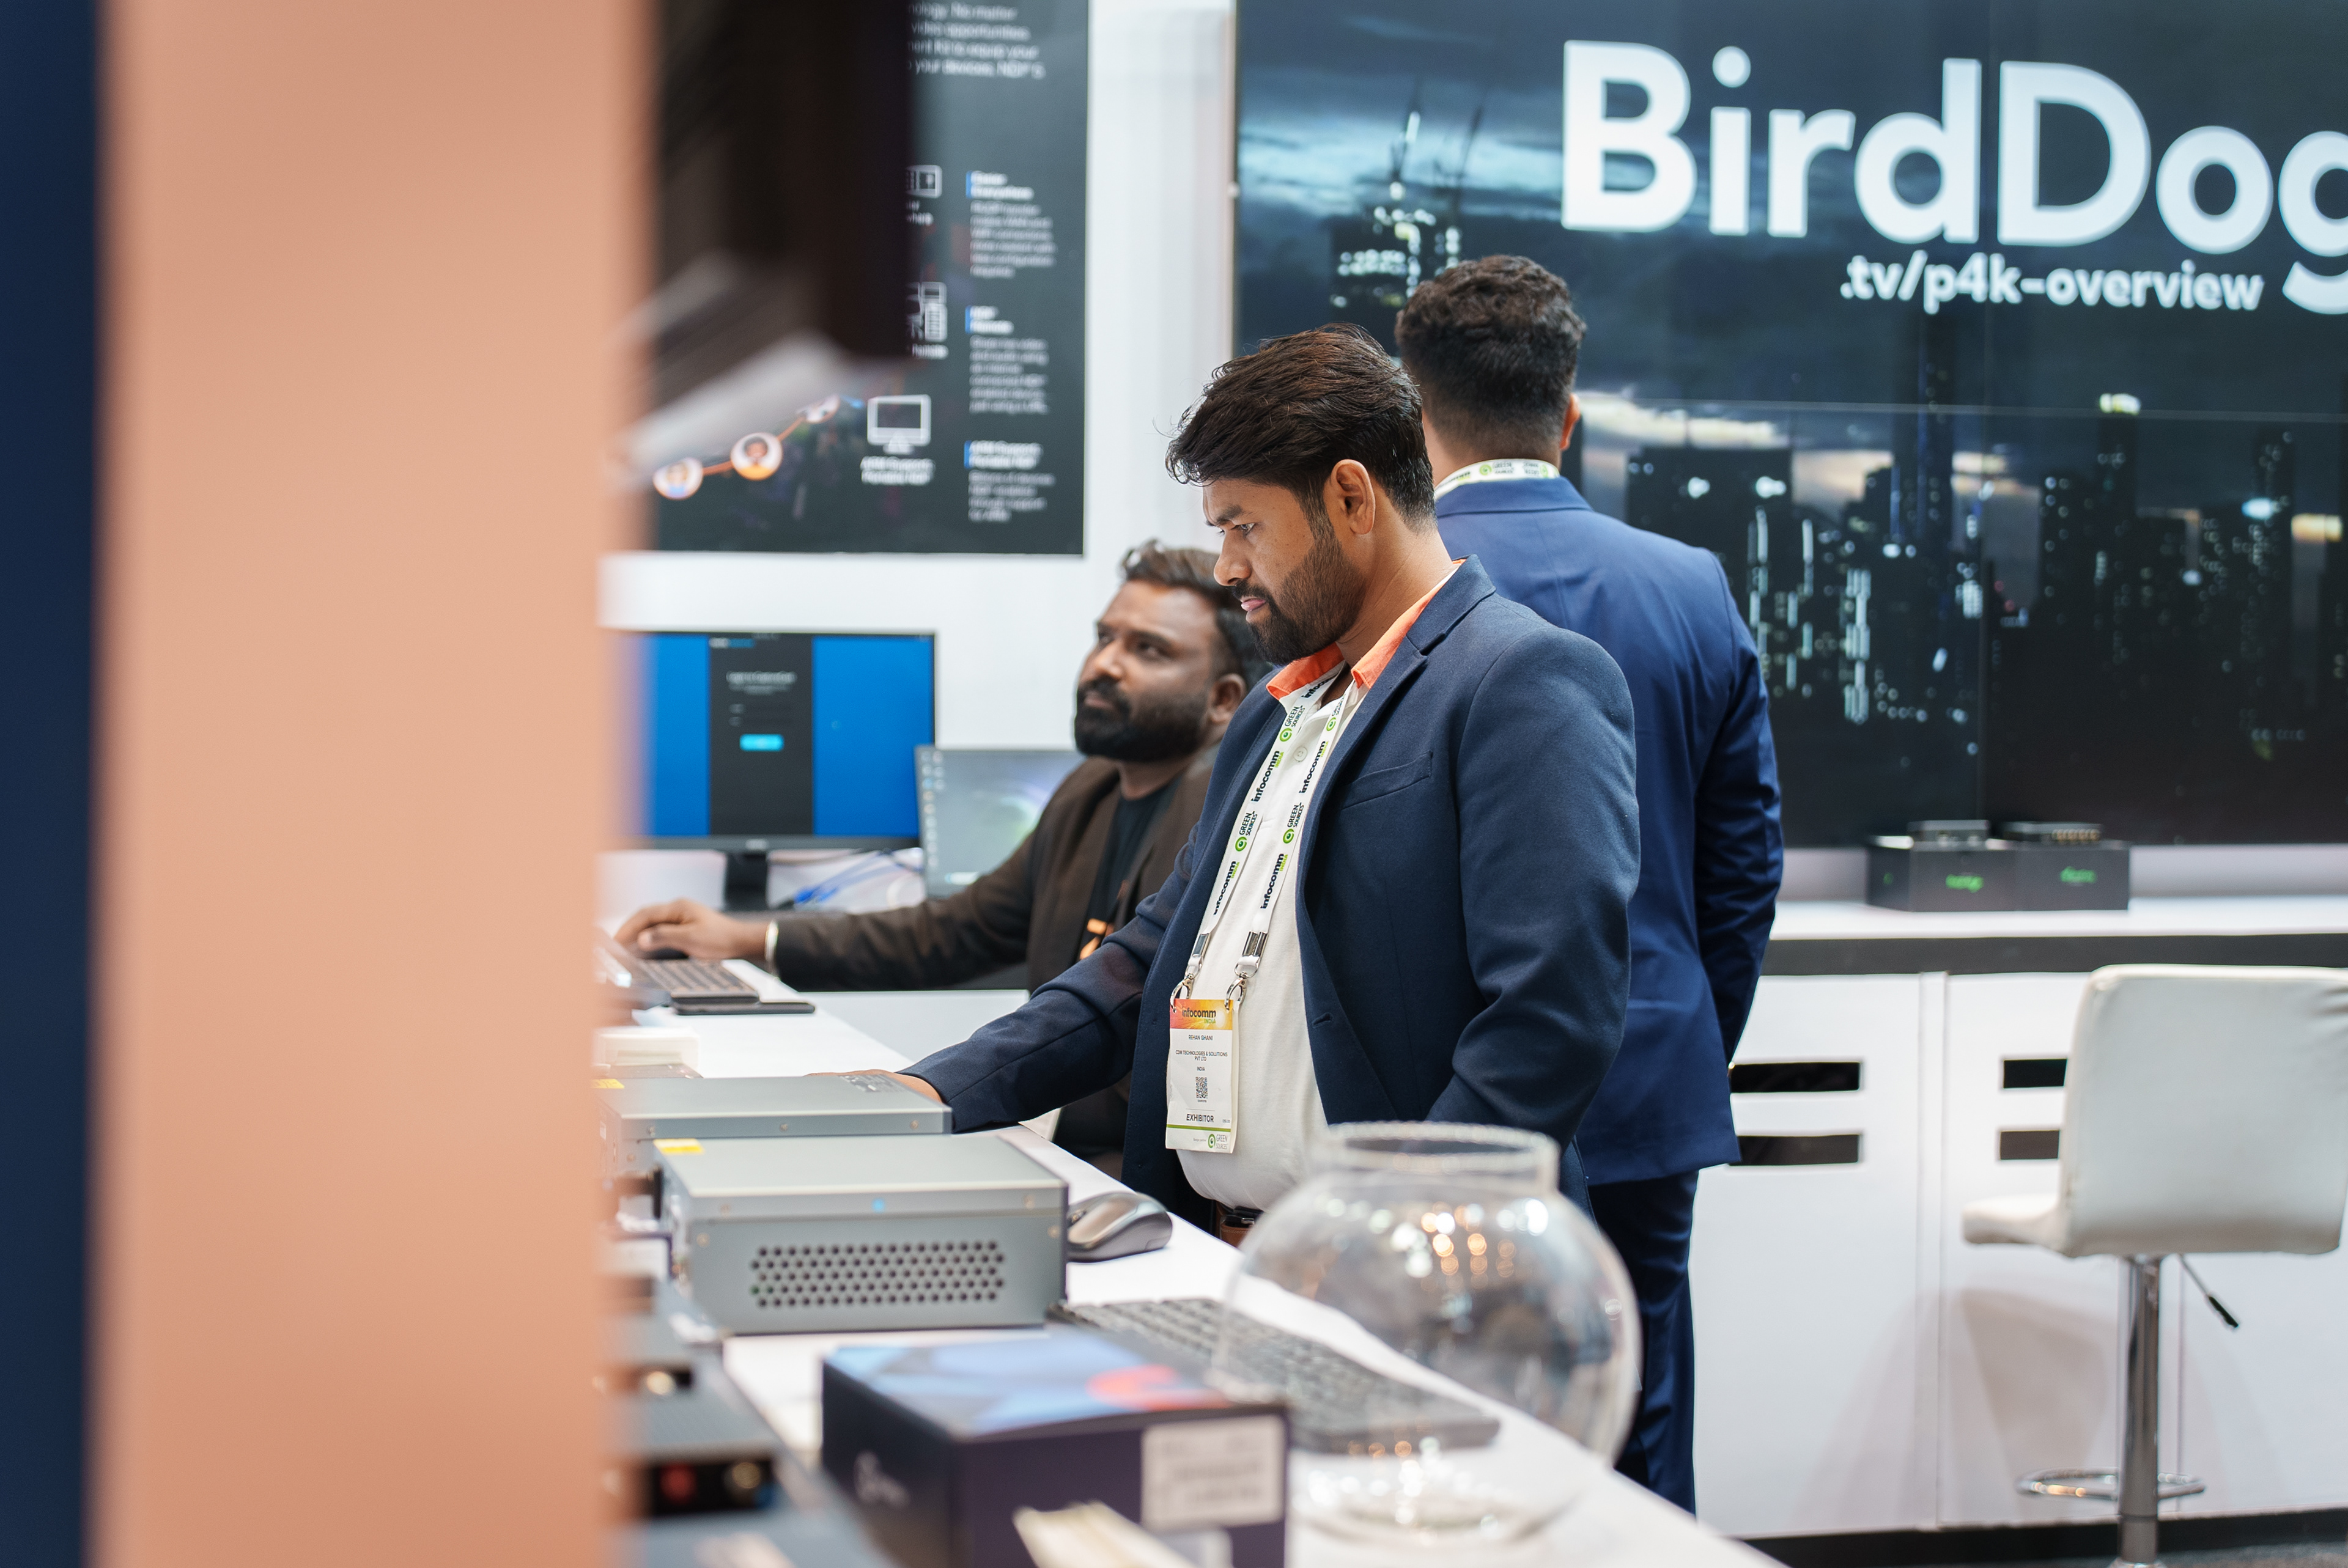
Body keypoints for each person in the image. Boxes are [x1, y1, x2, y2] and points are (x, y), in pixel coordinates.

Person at [858, 324, 1640, 1240]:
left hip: (1396, 1269)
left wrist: (1387, 1240)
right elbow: (1149, 960)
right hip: (1218, 1244)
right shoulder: (1274, 712)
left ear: (1350, 497)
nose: (1228, 566)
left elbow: (1547, 1022)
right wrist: (930, 1093)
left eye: (1244, 526)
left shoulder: (1520, 681)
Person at [1396, 254, 1784, 1514]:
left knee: (1432, 1424)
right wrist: (1681, 1033)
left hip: (1423, 1097)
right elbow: (1742, 870)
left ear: (1415, 413)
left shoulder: (1391, 580)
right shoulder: (1690, 585)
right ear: (1568, 416)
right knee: (1636, 1418)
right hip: (1645, 1076)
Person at [616, 542, 1269, 1172]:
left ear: (1224, 700)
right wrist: (749, 936)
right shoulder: (1090, 792)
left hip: (1135, 1167)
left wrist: (930, 1090)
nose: (1105, 664)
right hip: (1058, 1139)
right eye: (1105, 637)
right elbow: (952, 932)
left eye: (1148, 650)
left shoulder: (1218, 818)